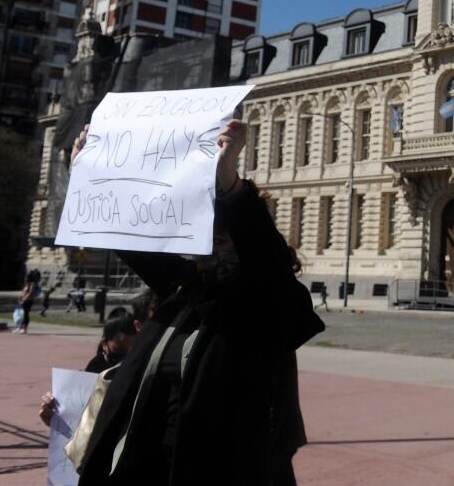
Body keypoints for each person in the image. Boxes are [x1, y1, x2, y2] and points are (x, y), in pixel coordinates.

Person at [69, 118, 325, 486]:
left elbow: (266, 261)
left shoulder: (271, 303)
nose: (218, 232)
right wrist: (88, 172)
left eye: (228, 225)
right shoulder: (186, 290)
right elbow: (130, 236)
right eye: (211, 222)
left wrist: (228, 180)